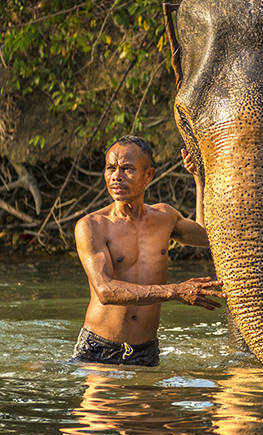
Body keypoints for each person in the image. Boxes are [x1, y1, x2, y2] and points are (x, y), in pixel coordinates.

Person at [70, 136, 223, 366]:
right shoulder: (92, 226)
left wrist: (199, 179)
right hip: (99, 349)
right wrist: (175, 291)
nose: (116, 176)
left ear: (148, 176)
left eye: (128, 169)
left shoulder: (164, 217)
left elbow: (207, 236)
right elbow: (105, 290)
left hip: (146, 351)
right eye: (111, 168)